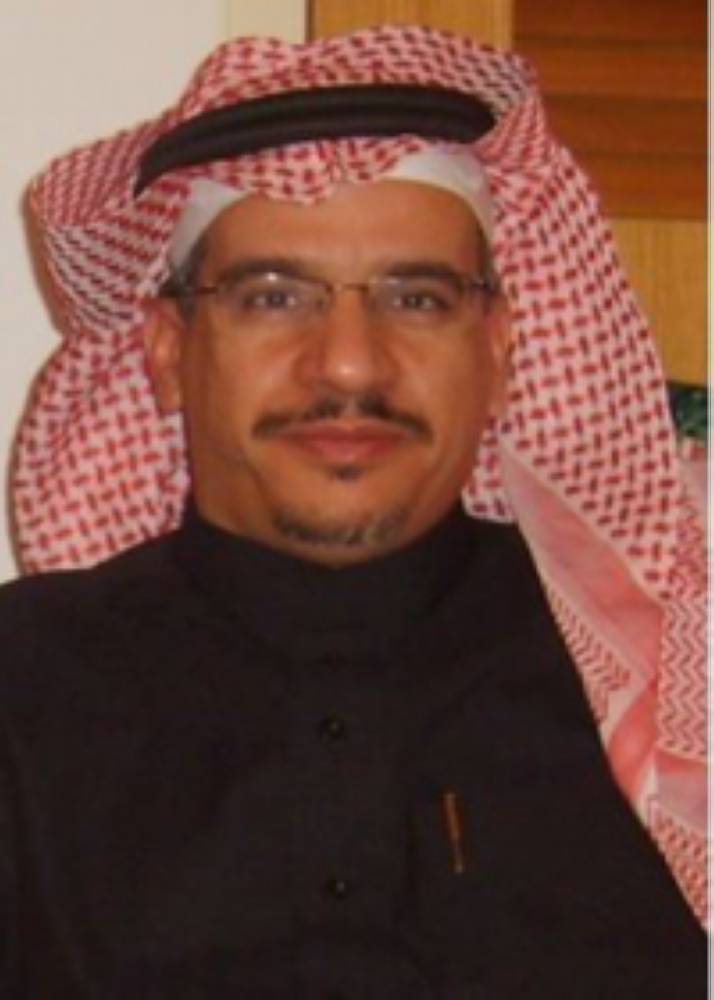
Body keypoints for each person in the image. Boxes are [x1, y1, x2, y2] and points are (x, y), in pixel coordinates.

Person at [0, 24, 706, 997]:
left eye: (416, 299)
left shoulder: (672, 683)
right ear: (167, 350)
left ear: (500, 349)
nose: (346, 364)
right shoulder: (27, 689)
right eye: (273, 296)